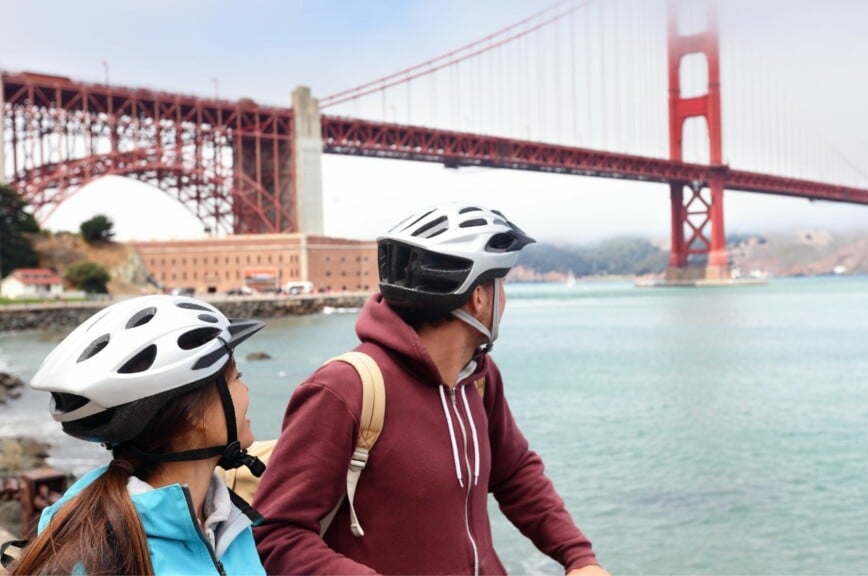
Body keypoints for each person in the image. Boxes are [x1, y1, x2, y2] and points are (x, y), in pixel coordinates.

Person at [253, 203, 609, 575]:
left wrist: (578, 557)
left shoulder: (479, 378)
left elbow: (515, 473)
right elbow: (277, 534)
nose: (504, 300)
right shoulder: (344, 389)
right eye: (499, 285)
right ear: (480, 298)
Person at [8, 294, 268, 575]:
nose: (246, 390)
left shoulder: (226, 520)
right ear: (195, 416)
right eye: (236, 378)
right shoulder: (98, 559)